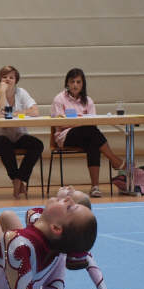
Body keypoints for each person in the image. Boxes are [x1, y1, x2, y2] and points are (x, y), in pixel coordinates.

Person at [0, 186, 135, 289]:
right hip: (25, 258)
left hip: (20, 273)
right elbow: (87, 259)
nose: (69, 190)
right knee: (7, 215)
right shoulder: (51, 223)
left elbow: (49, 266)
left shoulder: (53, 233)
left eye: (71, 198)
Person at [51, 68, 124, 198]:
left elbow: (92, 123)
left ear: (83, 84)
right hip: (65, 136)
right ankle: (114, 160)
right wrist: (80, 121)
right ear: (67, 83)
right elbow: (60, 123)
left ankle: (95, 187)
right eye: (72, 82)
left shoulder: (88, 100)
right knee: (90, 133)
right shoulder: (59, 99)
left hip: (86, 135)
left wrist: (78, 121)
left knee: (93, 142)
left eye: (78, 82)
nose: (75, 85)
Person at [0, 66, 44, 199]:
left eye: (11, 77)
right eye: (4, 77)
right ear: (0, 80)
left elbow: (35, 111)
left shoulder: (22, 92)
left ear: (16, 80)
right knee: (4, 143)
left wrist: (16, 113)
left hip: (18, 135)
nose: (8, 79)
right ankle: (15, 179)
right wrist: (2, 93)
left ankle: (19, 178)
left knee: (37, 145)